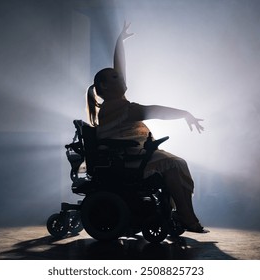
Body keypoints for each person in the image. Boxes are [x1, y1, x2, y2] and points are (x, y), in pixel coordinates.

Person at [86, 22, 207, 233]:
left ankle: (183, 213)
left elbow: (119, 68)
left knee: (176, 163)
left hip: (132, 155)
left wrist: (119, 42)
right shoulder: (121, 107)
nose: (122, 78)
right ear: (104, 86)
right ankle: (186, 215)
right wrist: (184, 114)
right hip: (126, 159)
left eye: (121, 77)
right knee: (173, 164)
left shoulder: (115, 103)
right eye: (116, 78)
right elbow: (155, 111)